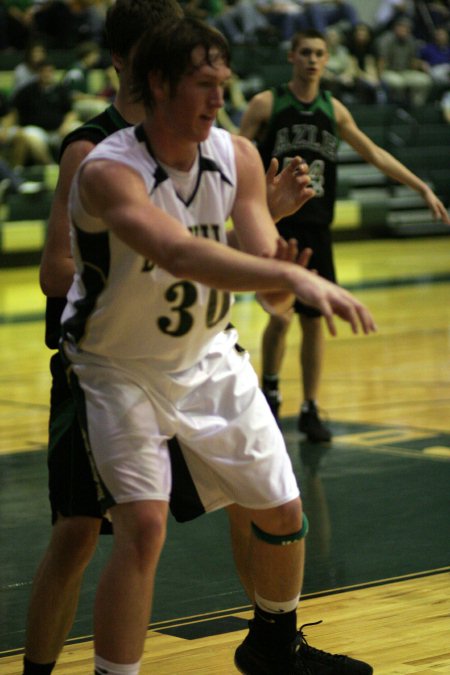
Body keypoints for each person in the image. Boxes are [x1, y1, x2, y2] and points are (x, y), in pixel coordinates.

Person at [59, 15, 376, 675]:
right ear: (159, 82)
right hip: (120, 368)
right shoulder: (107, 169)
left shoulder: (237, 155)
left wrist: (283, 284)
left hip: (208, 354)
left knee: (284, 508)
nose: (217, 99)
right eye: (203, 84)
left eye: (222, 85)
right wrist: (285, 274)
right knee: (143, 527)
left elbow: (262, 270)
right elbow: (178, 252)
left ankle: (274, 645)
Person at [239, 28, 449, 440]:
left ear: (327, 58)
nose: (313, 60)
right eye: (305, 52)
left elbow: (374, 153)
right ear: (291, 57)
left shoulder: (333, 110)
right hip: (278, 225)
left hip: (318, 226)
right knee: (279, 316)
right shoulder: (268, 103)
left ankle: (311, 406)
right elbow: (235, 154)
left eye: (319, 53)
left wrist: (420, 186)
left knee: (315, 321)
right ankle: (271, 394)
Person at [377, 16, 433, 107]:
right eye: (401, 27)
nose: (403, 30)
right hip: (389, 71)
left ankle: (416, 106)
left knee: (425, 80)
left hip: (405, 71)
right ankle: (397, 106)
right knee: (398, 83)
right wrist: (379, 77)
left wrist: (421, 65)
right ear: (395, 28)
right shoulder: (386, 40)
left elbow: (413, 60)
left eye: (406, 28)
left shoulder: (411, 41)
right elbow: (381, 60)